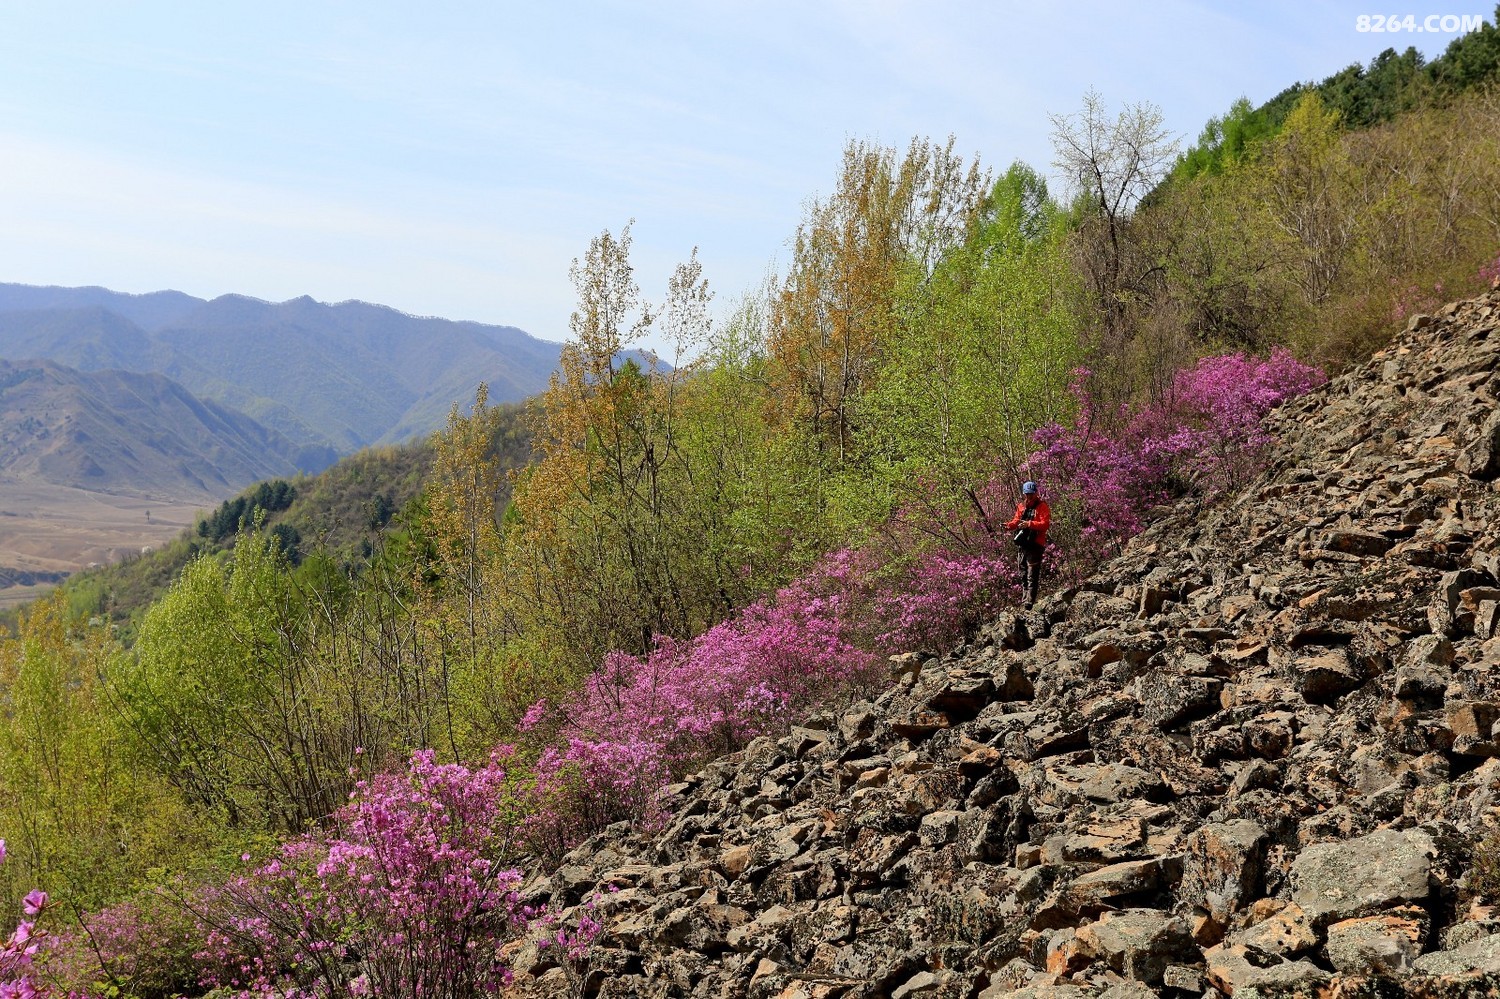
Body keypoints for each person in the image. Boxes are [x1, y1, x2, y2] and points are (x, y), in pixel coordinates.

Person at [1003, 481, 1050, 609]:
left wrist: (1029, 524)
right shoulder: (1021, 506)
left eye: (1031, 494)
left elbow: (1045, 524)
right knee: (1023, 573)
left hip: (1036, 544)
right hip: (1023, 543)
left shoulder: (1042, 506)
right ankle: (1025, 601)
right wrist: (1009, 526)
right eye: (1027, 494)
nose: (1029, 496)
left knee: (1032, 574)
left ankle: (1029, 602)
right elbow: (1016, 521)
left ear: (1036, 493)